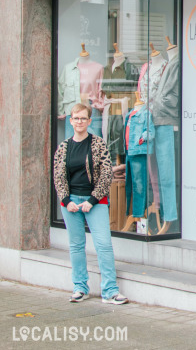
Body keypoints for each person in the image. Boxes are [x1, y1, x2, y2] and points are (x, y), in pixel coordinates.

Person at [53, 103, 129, 305]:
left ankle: (110, 291)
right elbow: (58, 176)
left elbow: (106, 174)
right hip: (71, 205)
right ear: (71, 121)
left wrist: (92, 200)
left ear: (89, 121)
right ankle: (80, 288)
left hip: (95, 202)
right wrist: (66, 201)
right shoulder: (63, 147)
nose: (79, 122)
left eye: (83, 118)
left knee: (103, 245)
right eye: (76, 118)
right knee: (76, 246)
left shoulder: (98, 144)